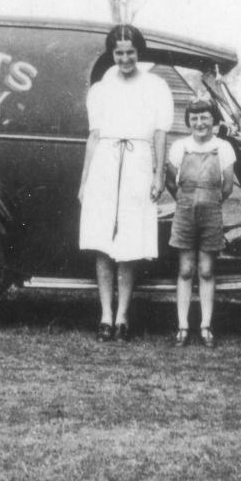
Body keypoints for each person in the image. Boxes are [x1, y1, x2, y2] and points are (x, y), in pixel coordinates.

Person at [78, 24, 174, 342]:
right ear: (112, 54)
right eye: (118, 53)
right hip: (105, 162)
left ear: (138, 52)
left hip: (137, 163)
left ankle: (123, 316)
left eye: (130, 52)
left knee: (130, 243)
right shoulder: (101, 89)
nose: (124, 58)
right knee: (103, 243)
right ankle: (105, 315)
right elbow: (93, 137)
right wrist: (85, 181)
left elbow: (160, 134)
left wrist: (158, 175)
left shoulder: (157, 86)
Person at [166, 98, 236, 348]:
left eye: (205, 117)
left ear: (213, 120)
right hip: (184, 213)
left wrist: (208, 200)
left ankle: (206, 326)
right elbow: (171, 182)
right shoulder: (179, 146)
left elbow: (227, 186)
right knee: (185, 270)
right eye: (194, 118)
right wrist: (186, 201)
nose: (200, 123)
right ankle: (183, 326)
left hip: (211, 213)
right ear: (188, 122)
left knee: (206, 270)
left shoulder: (224, 147)